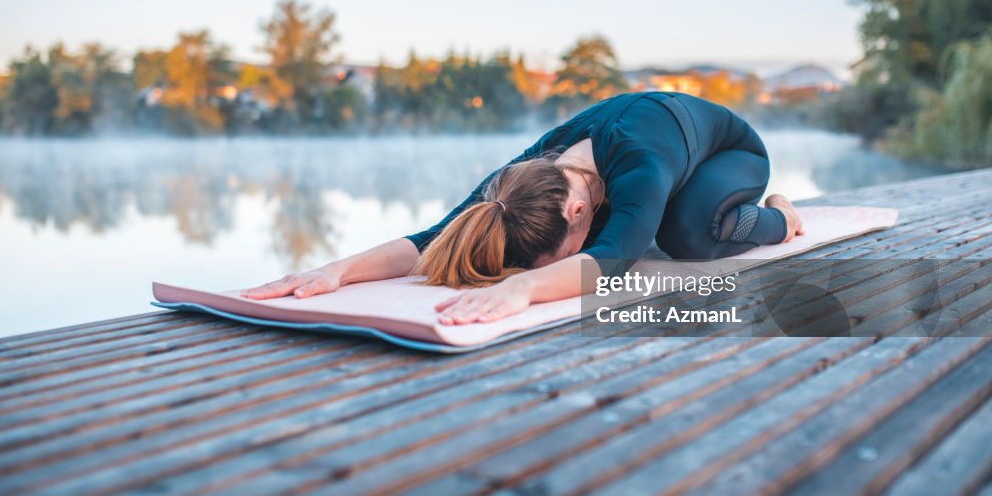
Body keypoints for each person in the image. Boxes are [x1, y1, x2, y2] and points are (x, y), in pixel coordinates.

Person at [242, 91, 804, 325]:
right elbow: (434, 237)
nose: (536, 270)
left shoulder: (642, 164)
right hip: (640, 171)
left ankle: (780, 215)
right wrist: (336, 271)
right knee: (643, 219)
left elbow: (612, 261)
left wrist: (523, 289)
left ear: (577, 211)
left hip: (730, 155)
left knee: (686, 238)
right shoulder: (521, 178)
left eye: (549, 256)